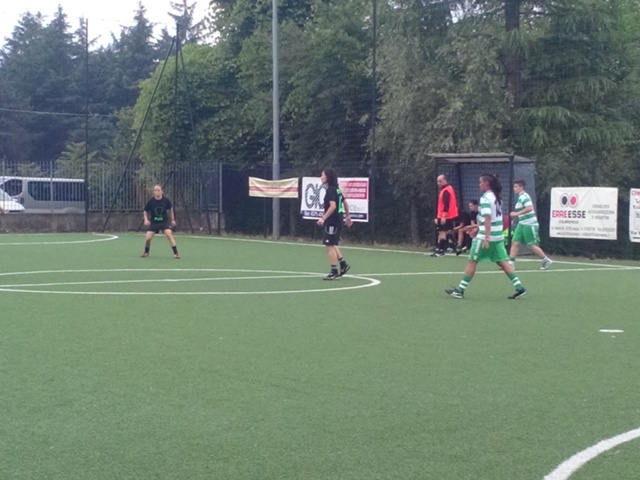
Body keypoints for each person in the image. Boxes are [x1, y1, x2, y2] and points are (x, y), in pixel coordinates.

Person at [445, 174, 526, 300]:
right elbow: (492, 219)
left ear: (486, 183)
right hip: (498, 236)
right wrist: (476, 227)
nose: (479, 185)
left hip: (486, 237)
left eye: (480, 182)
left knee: (472, 260)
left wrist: (486, 237)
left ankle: (460, 291)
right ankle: (519, 287)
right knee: (502, 261)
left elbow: (488, 217)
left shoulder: (485, 198)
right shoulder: (497, 197)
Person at [317, 168, 352, 280]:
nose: (321, 177)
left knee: (329, 245)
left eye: (322, 175)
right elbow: (345, 203)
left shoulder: (330, 190)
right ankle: (343, 264)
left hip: (332, 221)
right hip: (337, 220)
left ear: (328, 177)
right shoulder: (337, 190)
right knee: (333, 244)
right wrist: (347, 216)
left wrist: (323, 218)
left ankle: (333, 271)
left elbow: (333, 206)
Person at [509, 179, 552, 270]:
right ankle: (511, 264)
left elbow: (529, 208)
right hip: (521, 224)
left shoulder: (525, 196)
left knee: (531, 245)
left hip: (529, 224)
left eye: (516, 186)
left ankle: (546, 260)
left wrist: (516, 214)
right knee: (515, 242)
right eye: (514, 186)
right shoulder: (520, 197)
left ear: (521, 187)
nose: (514, 188)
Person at [141, 184, 180, 259]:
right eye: (155, 190)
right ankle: (146, 252)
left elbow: (170, 209)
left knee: (169, 234)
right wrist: (146, 219)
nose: (157, 192)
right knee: (148, 238)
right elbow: (145, 210)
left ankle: (176, 253)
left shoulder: (166, 201)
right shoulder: (151, 201)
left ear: (162, 191)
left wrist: (172, 219)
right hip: (154, 222)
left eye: (158, 190)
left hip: (164, 222)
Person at [432, 174, 459, 256]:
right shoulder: (449, 189)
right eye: (437, 181)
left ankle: (441, 250)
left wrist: (443, 216)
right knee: (448, 231)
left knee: (442, 232)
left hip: (445, 215)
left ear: (445, 180)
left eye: (440, 181)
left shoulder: (446, 191)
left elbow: (446, 204)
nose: (438, 183)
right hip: (449, 215)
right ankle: (457, 246)